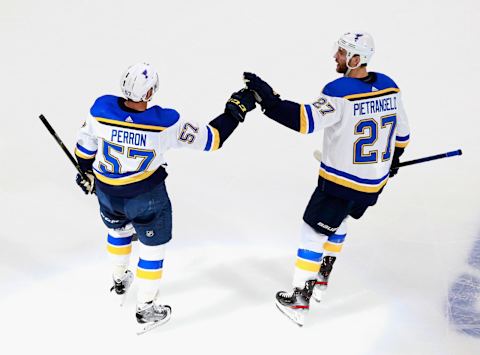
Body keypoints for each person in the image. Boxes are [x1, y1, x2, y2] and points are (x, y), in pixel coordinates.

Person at [243, 32, 410, 326]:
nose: (336, 56)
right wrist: (392, 160)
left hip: (341, 183)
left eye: (342, 53)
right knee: (341, 220)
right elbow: (403, 134)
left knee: (313, 231)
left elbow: (305, 120)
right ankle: (322, 278)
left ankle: (299, 298)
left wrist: (269, 101)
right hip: (373, 184)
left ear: (356, 59)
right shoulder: (389, 86)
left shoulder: (340, 90)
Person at [74, 62, 255, 333]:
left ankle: (119, 279)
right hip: (145, 196)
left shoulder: (100, 109)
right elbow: (213, 138)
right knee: (152, 249)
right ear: (150, 93)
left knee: (118, 230)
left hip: (107, 192)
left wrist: (85, 172)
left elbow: (85, 150)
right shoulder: (164, 123)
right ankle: (146, 308)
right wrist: (234, 110)